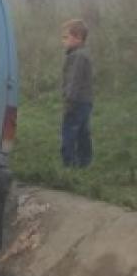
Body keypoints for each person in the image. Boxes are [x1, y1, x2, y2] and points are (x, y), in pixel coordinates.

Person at [60, 18, 93, 168]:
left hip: (77, 102)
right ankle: (84, 162)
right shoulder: (80, 54)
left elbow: (74, 81)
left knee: (70, 131)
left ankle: (69, 163)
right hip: (85, 101)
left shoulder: (78, 56)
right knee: (82, 132)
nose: (63, 41)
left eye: (66, 37)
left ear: (78, 38)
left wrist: (69, 102)